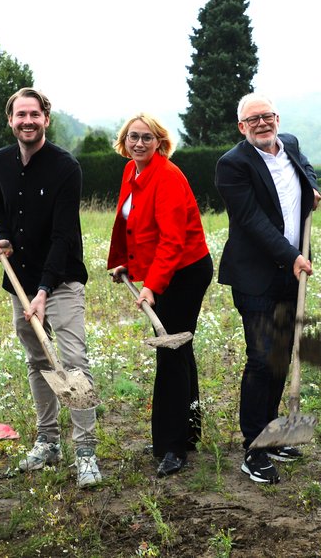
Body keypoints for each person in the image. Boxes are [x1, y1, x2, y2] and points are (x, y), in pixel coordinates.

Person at [0, 87, 101, 488]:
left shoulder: (66, 167)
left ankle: (85, 452)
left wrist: (44, 290)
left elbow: (63, 235)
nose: (28, 122)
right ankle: (48, 441)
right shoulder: (1, 161)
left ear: (46, 119)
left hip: (62, 280)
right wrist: (4, 237)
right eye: (21, 115)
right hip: (20, 283)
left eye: (34, 115)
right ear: (11, 120)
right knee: (38, 362)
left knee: (73, 363)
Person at [216, 93, 321, 484]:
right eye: (252, 119)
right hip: (255, 275)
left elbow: (306, 169)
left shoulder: (290, 143)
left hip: (293, 274)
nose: (262, 123)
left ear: (277, 118)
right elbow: (252, 221)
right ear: (242, 127)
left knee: (280, 355)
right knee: (261, 359)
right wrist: (290, 255)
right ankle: (253, 448)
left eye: (267, 116)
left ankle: (273, 433)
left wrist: (310, 189)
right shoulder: (232, 164)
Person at [105, 113, 212, 478]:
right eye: (133, 137)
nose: (139, 143)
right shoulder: (132, 172)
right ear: (125, 141)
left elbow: (172, 239)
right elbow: (128, 223)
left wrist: (153, 285)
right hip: (161, 272)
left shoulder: (166, 176)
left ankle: (172, 447)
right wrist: (123, 263)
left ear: (160, 142)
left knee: (170, 353)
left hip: (184, 272)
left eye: (147, 138)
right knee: (180, 350)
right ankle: (190, 431)